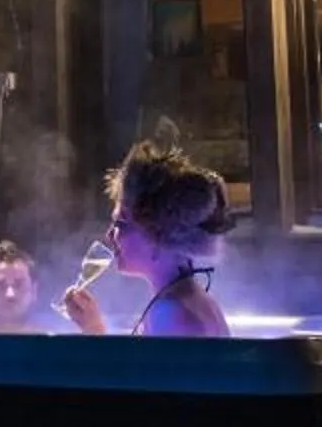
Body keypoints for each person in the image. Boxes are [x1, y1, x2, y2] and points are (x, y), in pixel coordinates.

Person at [60, 141, 233, 338]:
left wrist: (94, 332)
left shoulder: (174, 315)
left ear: (159, 233)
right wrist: (94, 328)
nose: (109, 234)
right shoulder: (185, 300)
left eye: (122, 223)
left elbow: (134, 370)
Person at [0, 240, 43, 333]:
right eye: (1, 286)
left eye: (19, 284)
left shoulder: (57, 343)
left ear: (34, 291)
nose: (10, 294)